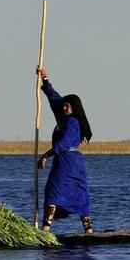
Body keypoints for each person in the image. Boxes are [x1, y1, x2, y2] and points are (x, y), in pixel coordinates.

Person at [36, 66, 93, 234]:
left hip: (68, 161)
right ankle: (87, 231)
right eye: (64, 105)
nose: (64, 108)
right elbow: (55, 99)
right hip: (70, 161)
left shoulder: (73, 123)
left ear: (74, 108)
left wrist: (45, 155)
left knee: (54, 190)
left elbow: (63, 143)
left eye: (67, 106)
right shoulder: (65, 119)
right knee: (77, 192)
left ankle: (46, 230)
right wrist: (44, 79)